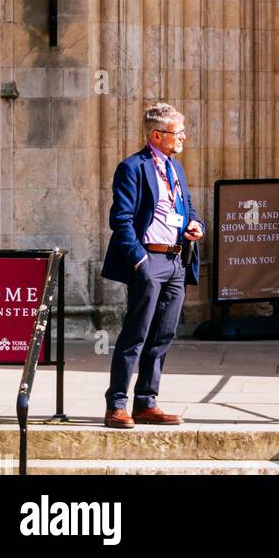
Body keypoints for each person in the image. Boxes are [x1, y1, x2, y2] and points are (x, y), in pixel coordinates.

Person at [102, 104, 204, 427]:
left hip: (176, 261)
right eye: (178, 132)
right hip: (149, 260)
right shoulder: (132, 167)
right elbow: (120, 221)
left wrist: (195, 224)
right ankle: (117, 403)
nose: (183, 137)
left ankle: (146, 402)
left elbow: (186, 207)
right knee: (136, 333)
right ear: (157, 135)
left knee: (164, 334)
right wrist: (140, 260)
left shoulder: (176, 168)